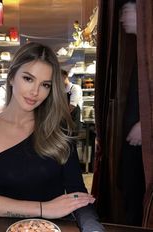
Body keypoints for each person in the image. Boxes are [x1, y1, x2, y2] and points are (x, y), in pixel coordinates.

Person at [0, 42, 104, 231]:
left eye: (45, 84)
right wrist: (44, 208)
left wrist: (93, 228)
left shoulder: (58, 127)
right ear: (12, 76)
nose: (35, 92)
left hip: (55, 227)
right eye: (28, 79)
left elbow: (78, 194)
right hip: (9, 227)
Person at [118, 1, 145, 226]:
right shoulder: (140, 46)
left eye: (126, 12)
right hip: (133, 139)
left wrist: (146, 124)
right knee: (130, 189)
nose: (122, 18)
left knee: (138, 193)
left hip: (143, 140)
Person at [62, 69, 83, 134]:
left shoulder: (75, 88)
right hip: (65, 121)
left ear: (64, 76)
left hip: (74, 121)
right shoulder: (62, 90)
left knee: (72, 141)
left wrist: (60, 117)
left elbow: (72, 106)